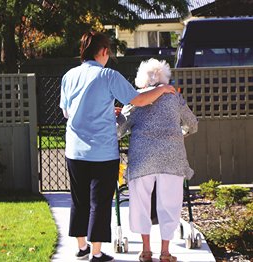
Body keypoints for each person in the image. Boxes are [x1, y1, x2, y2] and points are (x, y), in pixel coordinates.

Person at [59, 32, 176, 262]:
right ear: (103, 51)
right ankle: (96, 252)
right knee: (99, 203)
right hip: (102, 152)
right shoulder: (108, 75)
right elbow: (139, 100)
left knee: (79, 199)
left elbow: (66, 112)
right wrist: (162, 89)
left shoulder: (69, 76)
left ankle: (81, 247)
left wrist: (99, 111)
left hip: (74, 150)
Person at [117, 58, 198, 262]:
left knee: (140, 203)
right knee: (169, 203)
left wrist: (116, 117)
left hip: (142, 158)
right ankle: (165, 252)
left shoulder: (135, 101)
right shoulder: (174, 98)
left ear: (141, 79)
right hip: (172, 157)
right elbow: (193, 124)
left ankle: (145, 251)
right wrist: (180, 132)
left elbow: (118, 131)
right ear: (165, 77)